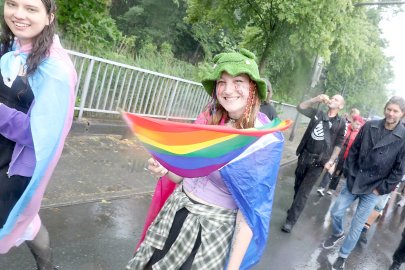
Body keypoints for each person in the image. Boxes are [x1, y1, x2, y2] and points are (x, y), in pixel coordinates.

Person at [126, 49, 285, 270]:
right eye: (222, 82)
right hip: (175, 213)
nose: (228, 90)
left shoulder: (263, 140)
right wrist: (165, 168)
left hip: (211, 234)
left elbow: (249, 213)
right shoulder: (209, 118)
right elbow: (181, 176)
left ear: (253, 88)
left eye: (238, 81)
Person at [0, 0, 77, 269]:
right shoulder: (12, 46)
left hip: (14, 166)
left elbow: (41, 135)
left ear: (49, 17)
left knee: (20, 220)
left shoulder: (55, 71)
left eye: (31, 8)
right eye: (12, 4)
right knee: (27, 221)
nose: (18, 14)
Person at [322, 96, 405, 270]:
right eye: (389, 109)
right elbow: (354, 150)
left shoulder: (403, 137)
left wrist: (380, 189)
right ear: (385, 109)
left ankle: (342, 256)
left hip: (374, 188)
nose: (391, 113)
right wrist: (350, 172)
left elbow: (399, 169)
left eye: (395, 111)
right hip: (355, 179)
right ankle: (337, 232)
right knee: (337, 211)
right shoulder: (369, 126)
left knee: (357, 226)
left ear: (402, 114)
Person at [281, 94, 346, 233]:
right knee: (298, 187)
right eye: (332, 98)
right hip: (304, 156)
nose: (332, 100)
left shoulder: (341, 123)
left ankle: (290, 221)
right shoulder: (318, 113)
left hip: (319, 162)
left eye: (336, 100)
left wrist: (331, 160)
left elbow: (339, 144)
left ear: (340, 106)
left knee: (304, 192)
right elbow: (301, 107)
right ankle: (294, 208)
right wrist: (315, 99)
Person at [316, 114, 364, 196]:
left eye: (359, 125)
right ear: (352, 121)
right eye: (357, 124)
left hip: (346, 156)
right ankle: (322, 187)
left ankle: (331, 188)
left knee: (338, 173)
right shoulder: (345, 127)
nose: (358, 126)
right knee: (330, 169)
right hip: (337, 152)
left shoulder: (358, 133)